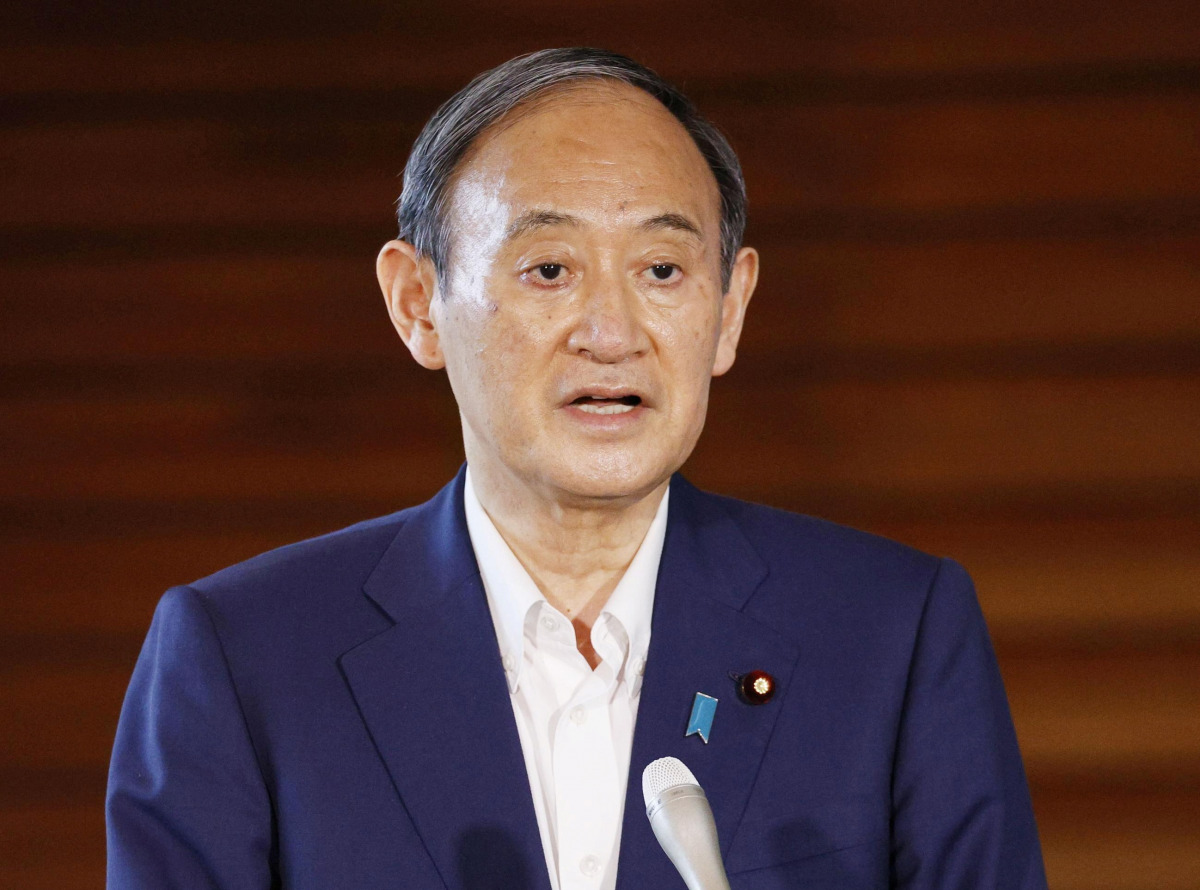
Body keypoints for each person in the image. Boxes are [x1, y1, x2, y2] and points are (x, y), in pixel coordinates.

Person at [106, 48, 1048, 890]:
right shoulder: (246, 658)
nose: (610, 334)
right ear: (418, 304)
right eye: (550, 270)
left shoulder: (891, 636)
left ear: (729, 310)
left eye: (662, 271)